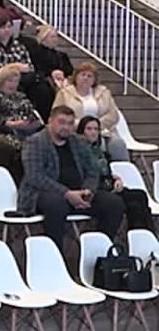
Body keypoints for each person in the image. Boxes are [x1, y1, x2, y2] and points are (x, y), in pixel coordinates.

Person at [18, 106, 125, 251]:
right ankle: (56, 255)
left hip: (79, 192)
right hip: (42, 193)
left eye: (70, 123)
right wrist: (67, 194)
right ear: (50, 121)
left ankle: (99, 251)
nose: (66, 127)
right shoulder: (35, 142)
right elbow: (35, 177)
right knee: (56, 204)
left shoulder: (78, 141)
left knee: (114, 203)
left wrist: (87, 191)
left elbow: (93, 171)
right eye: (61, 122)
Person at [78, 116, 154, 232]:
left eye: (96, 129)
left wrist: (116, 179)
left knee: (140, 195)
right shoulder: (79, 152)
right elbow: (87, 176)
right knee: (133, 205)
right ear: (81, 131)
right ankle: (139, 235)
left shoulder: (99, 151)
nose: (93, 132)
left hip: (109, 185)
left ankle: (148, 235)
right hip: (96, 191)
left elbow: (105, 172)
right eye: (89, 129)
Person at [0, 13, 55, 118]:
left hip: (23, 79)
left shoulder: (18, 46)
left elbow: (29, 67)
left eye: (9, 27)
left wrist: (16, 68)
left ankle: (42, 118)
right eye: (3, 27)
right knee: (17, 85)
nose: (6, 30)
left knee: (43, 89)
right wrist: (16, 66)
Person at [53, 62, 129, 162]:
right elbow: (57, 114)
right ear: (76, 77)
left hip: (103, 131)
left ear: (94, 80)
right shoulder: (64, 93)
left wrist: (96, 126)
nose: (86, 78)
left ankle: (120, 170)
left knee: (118, 144)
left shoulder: (104, 92)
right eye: (83, 75)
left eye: (90, 76)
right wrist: (82, 125)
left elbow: (113, 114)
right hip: (75, 132)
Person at [0, 63, 43, 156]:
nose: (13, 84)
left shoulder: (21, 96)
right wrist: (13, 124)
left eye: (16, 81)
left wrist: (30, 123)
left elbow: (32, 114)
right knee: (20, 145)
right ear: (1, 81)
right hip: (3, 131)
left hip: (26, 130)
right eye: (10, 81)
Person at [21, 25, 72, 92]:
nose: (55, 39)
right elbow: (36, 69)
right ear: (43, 38)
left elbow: (69, 71)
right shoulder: (35, 53)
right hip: (43, 82)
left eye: (56, 37)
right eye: (52, 37)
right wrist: (51, 73)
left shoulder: (62, 55)